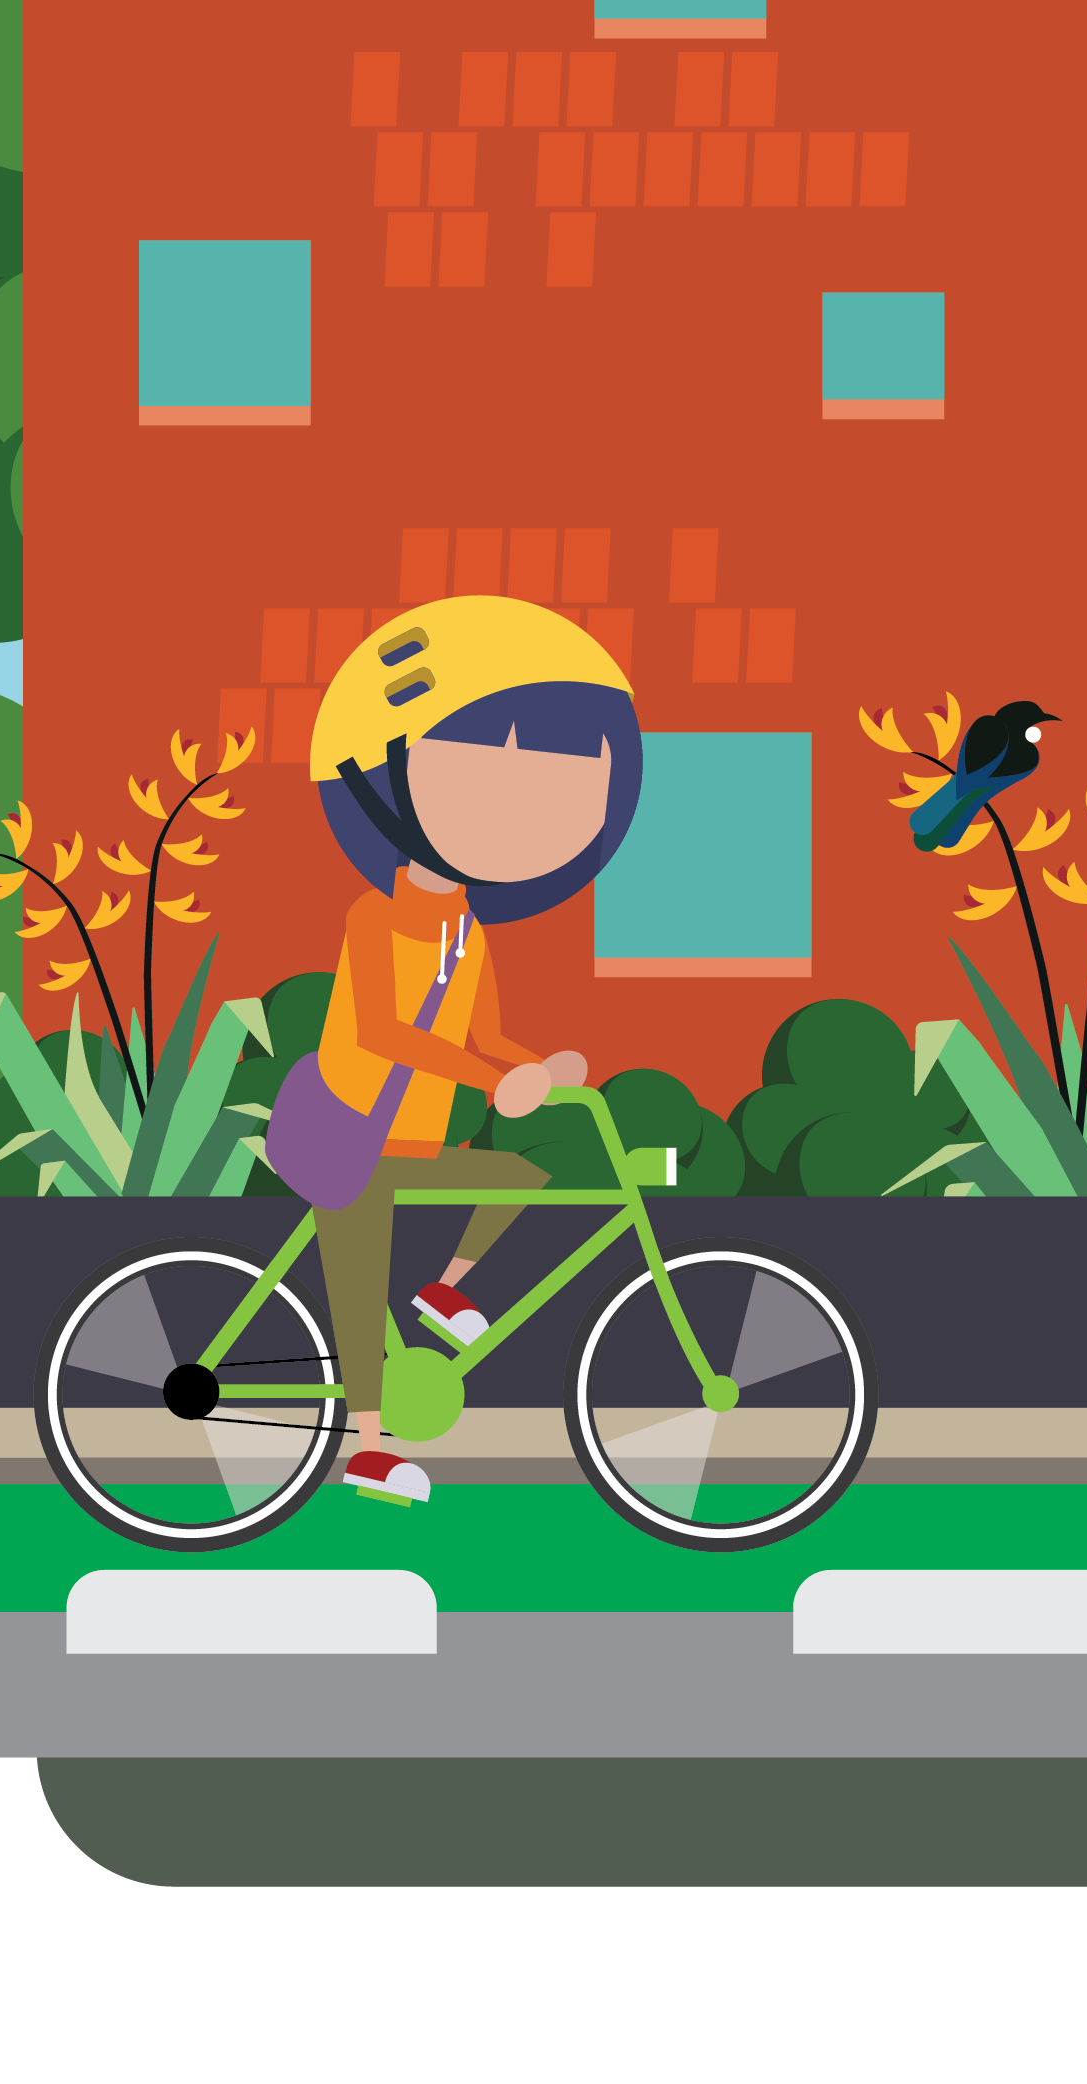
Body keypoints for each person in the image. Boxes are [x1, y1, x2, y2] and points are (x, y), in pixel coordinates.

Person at [258, 600, 650, 1508]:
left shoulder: (468, 931)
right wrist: (488, 1075)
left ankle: (444, 1288)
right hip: (350, 1134)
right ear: (389, 780)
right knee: (355, 1290)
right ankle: (362, 1449)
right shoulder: (377, 918)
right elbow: (387, 1032)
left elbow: (482, 1033)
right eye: (488, 772)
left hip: (418, 1142)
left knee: (519, 1174)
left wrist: (542, 1067)